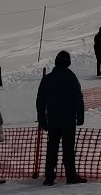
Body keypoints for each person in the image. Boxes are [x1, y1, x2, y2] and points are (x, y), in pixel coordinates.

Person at [34, 50, 86, 185]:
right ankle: (71, 176)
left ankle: (49, 177)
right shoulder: (71, 78)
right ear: (68, 63)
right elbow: (78, 99)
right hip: (68, 121)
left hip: (52, 121)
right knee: (68, 149)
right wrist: (80, 117)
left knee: (52, 148)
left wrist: (42, 119)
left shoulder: (47, 79)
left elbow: (40, 101)